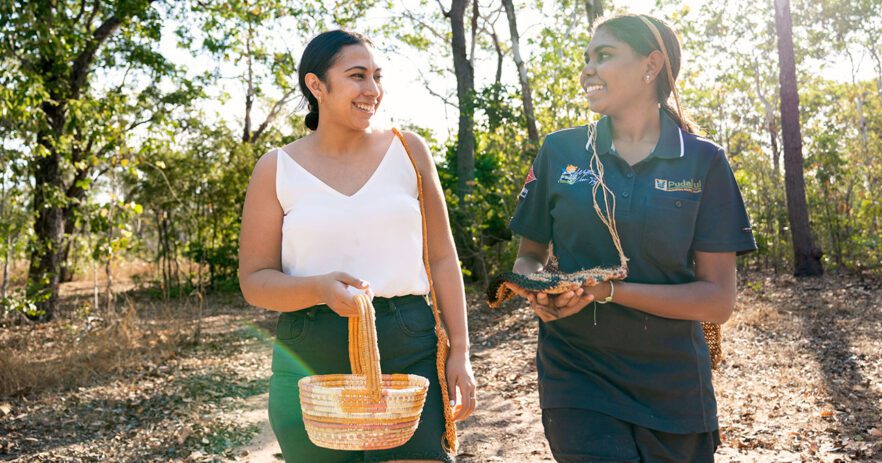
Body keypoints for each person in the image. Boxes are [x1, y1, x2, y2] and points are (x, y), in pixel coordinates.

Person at [507, 14, 756, 463]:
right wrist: (538, 289)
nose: (587, 69)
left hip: (676, 389)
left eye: (603, 56)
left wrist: (609, 291)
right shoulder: (559, 151)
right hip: (577, 377)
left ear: (651, 64)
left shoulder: (703, 161)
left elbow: (717, 300)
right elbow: (528, 256)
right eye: (586, 58)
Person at [237, 29, 476, 463]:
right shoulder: (276, 168)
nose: (373, 90)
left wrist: (460, 351)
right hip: (310, 348)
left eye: (377, 76)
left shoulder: (409, 151)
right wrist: (320, 289)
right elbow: (254, 281)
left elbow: (442, 258)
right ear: (316, 86)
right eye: (357, 76)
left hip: (408, 342)